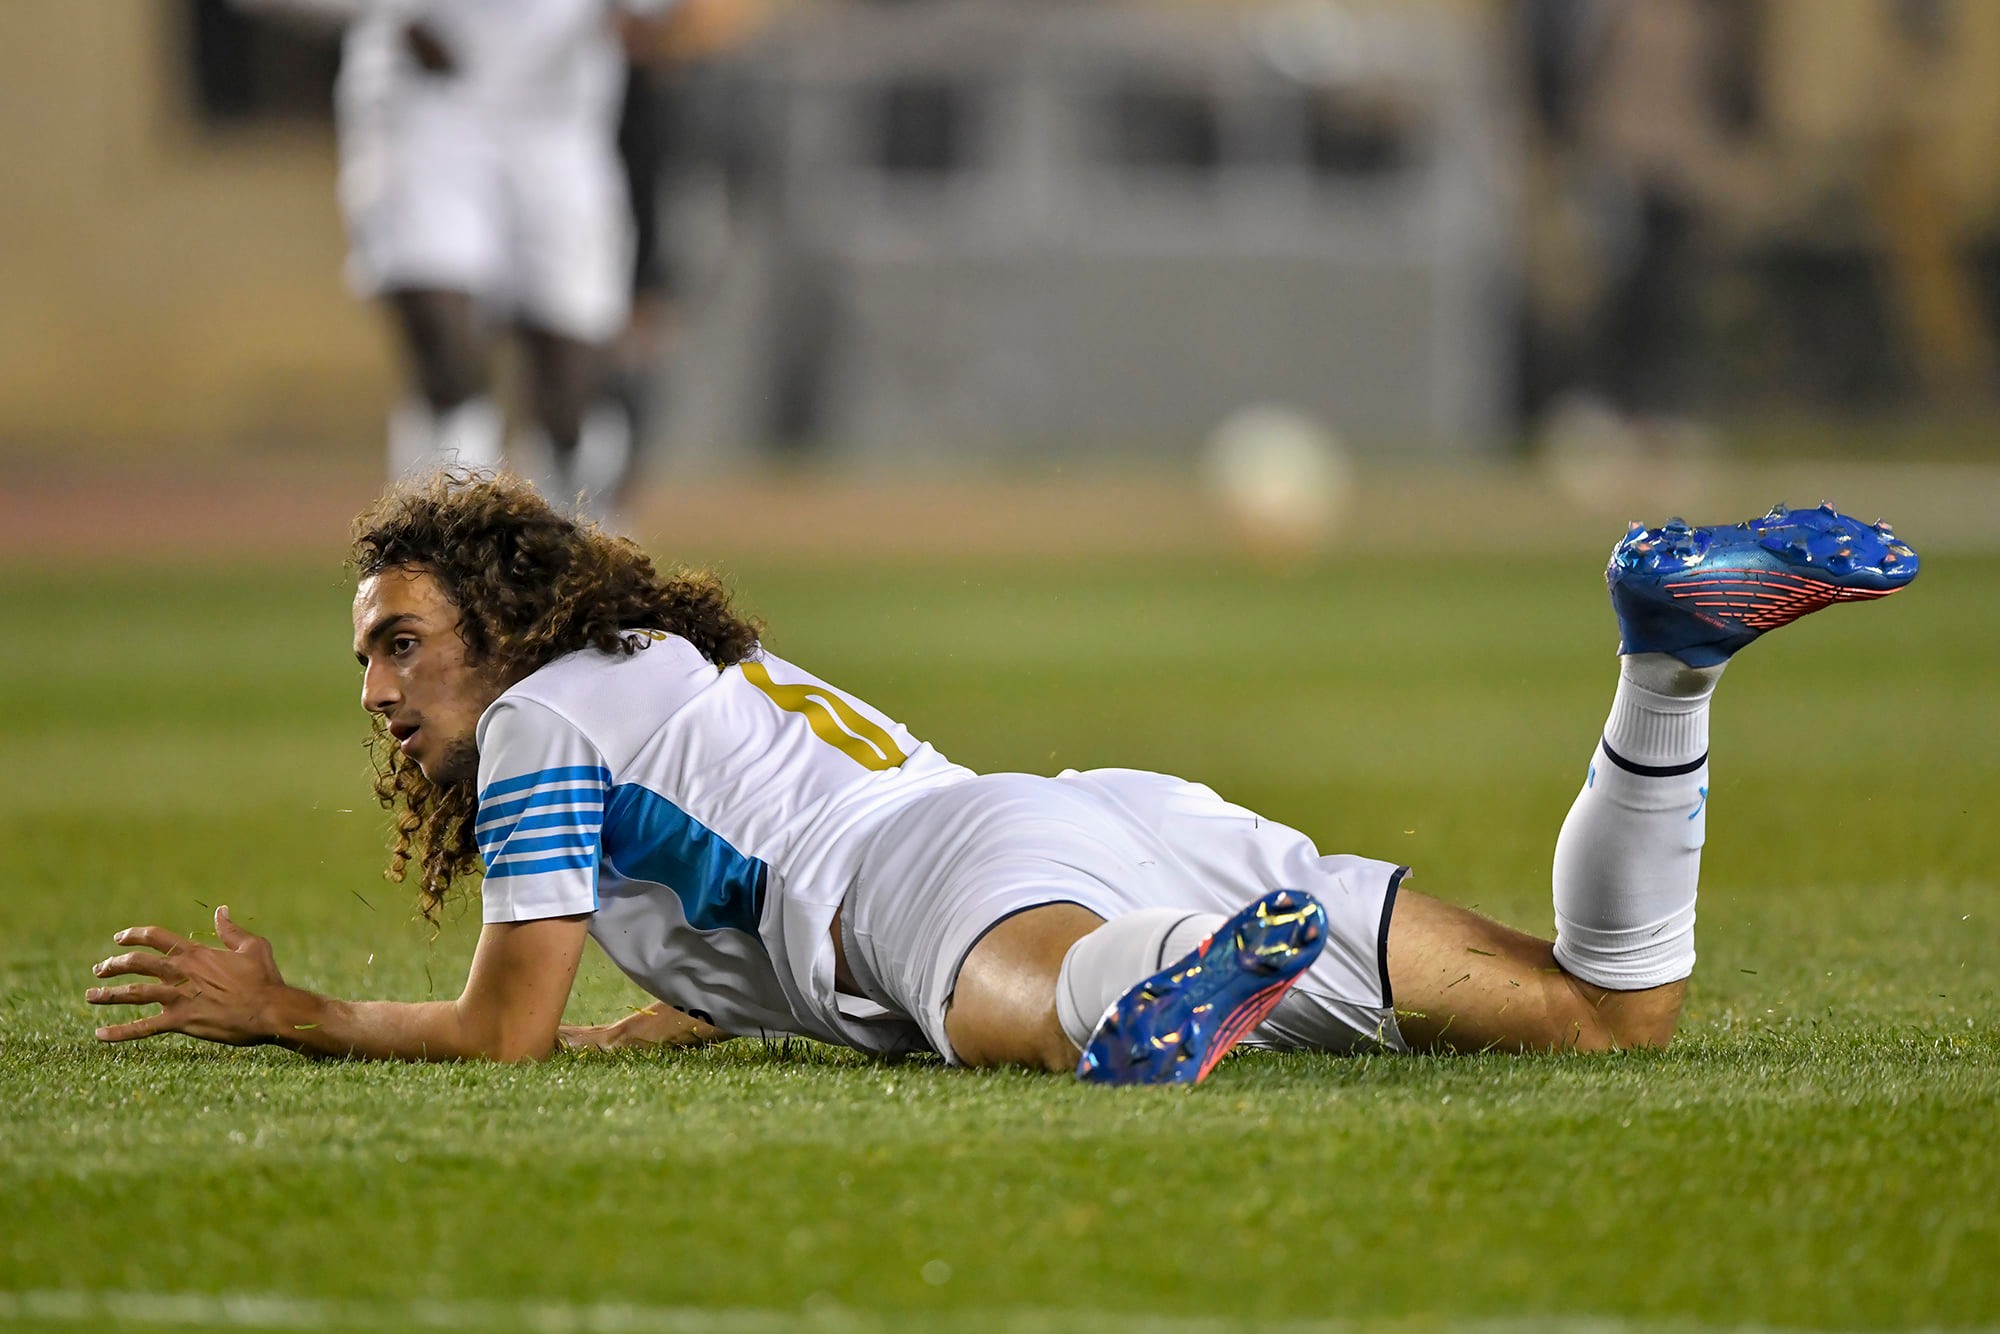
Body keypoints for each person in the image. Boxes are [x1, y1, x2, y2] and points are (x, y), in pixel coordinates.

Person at [84, 476, 1920, 1084]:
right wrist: (696, 1008)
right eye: (363, 657)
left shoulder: (542, 724)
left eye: (402, 641)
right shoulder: (650, 667)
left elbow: (505, 1028)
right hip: (1084, 818)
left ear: (496, 627)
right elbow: (713, 888)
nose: (379, 687)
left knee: (1059, 1019)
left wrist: (294, 1011)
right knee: (1610, 1012)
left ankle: (1153, 984)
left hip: (939, 878)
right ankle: (1668, 664)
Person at [237, 0, 682, 513]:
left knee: (571, 371)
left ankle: (581, 524)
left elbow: (676, 24)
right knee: (442, 331)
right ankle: (446, 526)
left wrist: (652, 31)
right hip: (424, 107)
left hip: (556, 125)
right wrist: (394, 13)